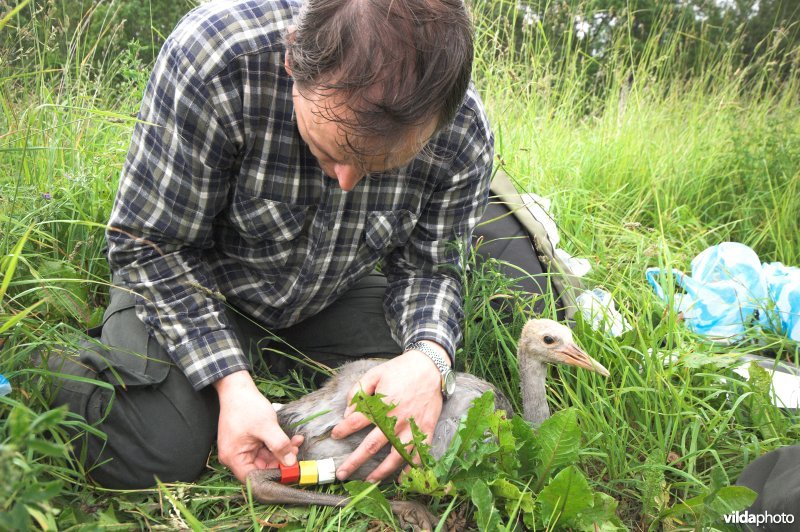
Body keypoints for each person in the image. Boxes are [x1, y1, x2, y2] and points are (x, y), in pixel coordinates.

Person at [46, 0, 561, 489]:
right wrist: (230, 382)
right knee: (160, 448)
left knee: (438, 398)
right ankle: (44, 365)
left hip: (331, 295)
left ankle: (284, 387)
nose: (346, 182)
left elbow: (430, 270)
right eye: (327, 150)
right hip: (197, 288)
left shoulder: (462, 129)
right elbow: (149, 246)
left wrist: (429, 360)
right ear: (293, 58)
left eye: (382, 167)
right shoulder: (216, 59)